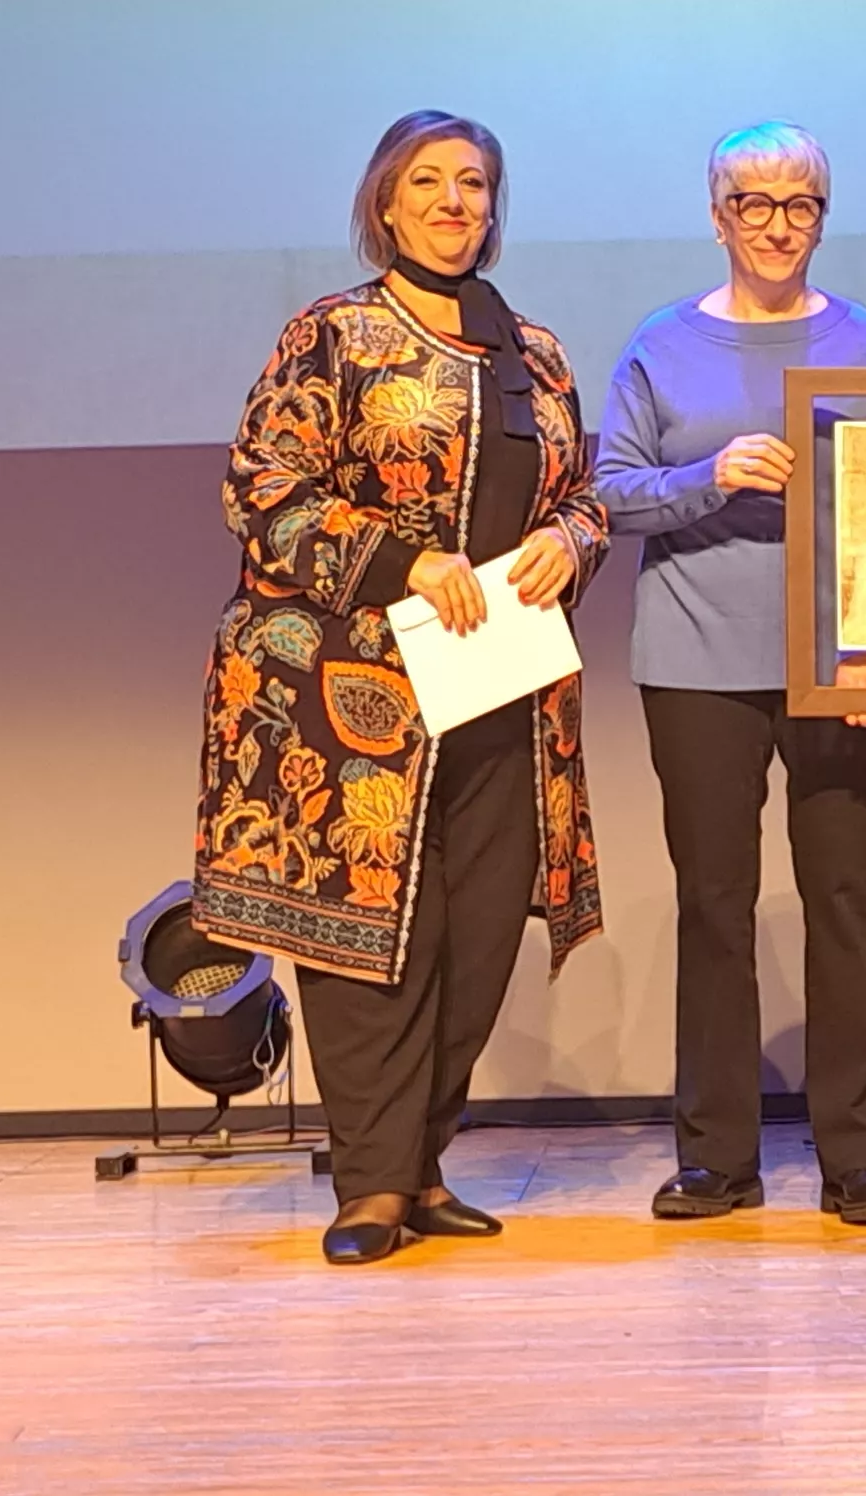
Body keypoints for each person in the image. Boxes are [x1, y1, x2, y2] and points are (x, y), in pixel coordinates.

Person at [189, 112, 606, 1266]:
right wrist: (402, 560)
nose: (454, 202)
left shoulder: (535, 350)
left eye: (474, 183)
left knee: (474, 940)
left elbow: (583, 493)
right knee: (369, 939)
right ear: (385, 203)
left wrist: (573, 540)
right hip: (350, 703)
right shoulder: (332, 336)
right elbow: (260, 488)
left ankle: (422, 1167)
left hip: (499, 695)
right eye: (429, 182)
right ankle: (368, 1186)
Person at [594, 122, 866, 1226]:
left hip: (838, 664)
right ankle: (716, 1162)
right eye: (755, 204)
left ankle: (860, 1162)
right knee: (714, 906)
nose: (778, 225)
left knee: (843, 901)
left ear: (822, 217)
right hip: (693, 660)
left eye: (799, 205)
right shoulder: (661, 343)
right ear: (717, 213)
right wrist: (709, 475)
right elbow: (611, 494)